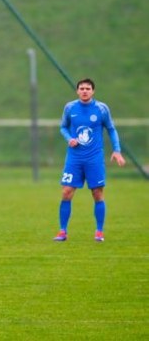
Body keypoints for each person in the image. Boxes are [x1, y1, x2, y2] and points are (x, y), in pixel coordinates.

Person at [54, 78, 125, 242]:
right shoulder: (70, 107)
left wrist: (117, 150)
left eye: (87, 88)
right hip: (74, 158)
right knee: (66, 192)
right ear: (77, 91)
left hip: (94, 159)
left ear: (93, 91)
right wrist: (69, 138)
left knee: (98, 193)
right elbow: (63, 127)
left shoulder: (101, 109)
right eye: (81, 88)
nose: (84, 91)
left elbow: (111, 129)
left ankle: (99, 231)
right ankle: (62, 231)